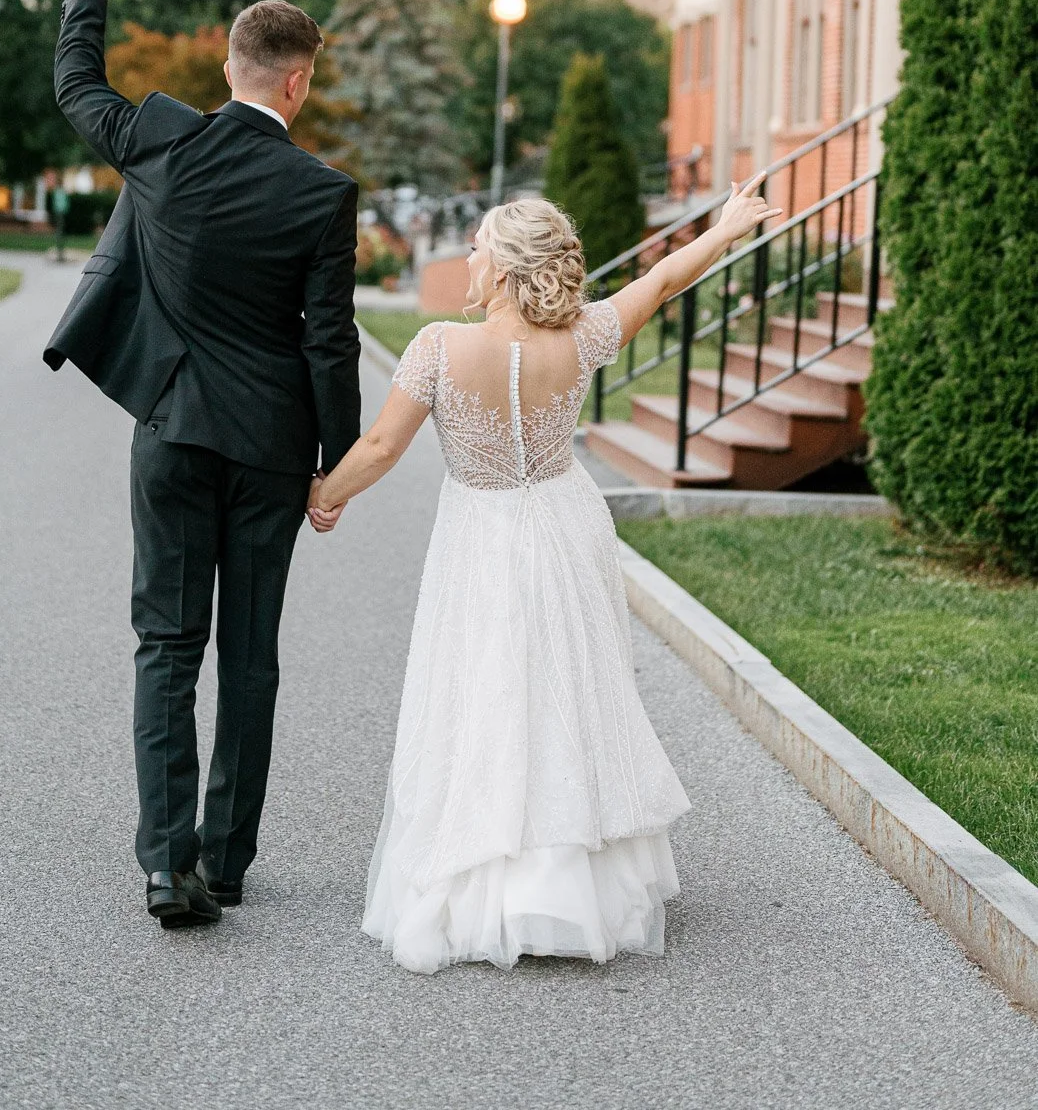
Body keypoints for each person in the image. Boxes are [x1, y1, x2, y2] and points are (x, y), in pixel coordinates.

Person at [307, 186, 779, 974]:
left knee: (488, 691)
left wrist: (326, 495)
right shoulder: (584, 336)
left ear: (502, 269)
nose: (468, 256)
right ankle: (572, 879)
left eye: (478, 245)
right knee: (566, 689)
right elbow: (663, 281)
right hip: (565, 524)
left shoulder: (437, 348)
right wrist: (727, 229)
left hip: (483, 533)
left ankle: (490, 879)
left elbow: (384, 444)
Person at [45, 0, 361, 931]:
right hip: (270, 451)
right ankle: (223, 864)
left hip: (173, 435)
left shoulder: (160, 144)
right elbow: (329, 343)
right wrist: (336, 465)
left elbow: (77, 91)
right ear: (297, 81)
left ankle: (162, 864)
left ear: (230, 67)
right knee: (250, 654)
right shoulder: (321, 194)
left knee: (165, 646)